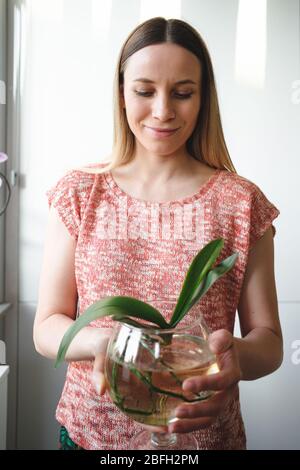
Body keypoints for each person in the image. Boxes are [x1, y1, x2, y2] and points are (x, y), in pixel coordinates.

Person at [33, 17, 283, 450]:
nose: (164, 110)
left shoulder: (242, 203)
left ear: (204, 99)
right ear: (121, 93)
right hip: (90, 437)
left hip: (205, 440)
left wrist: (232, 357)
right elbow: (47, 326)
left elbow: (270, 341)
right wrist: (102, 341)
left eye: (183, 93)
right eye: (145, 91)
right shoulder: (79, 193)